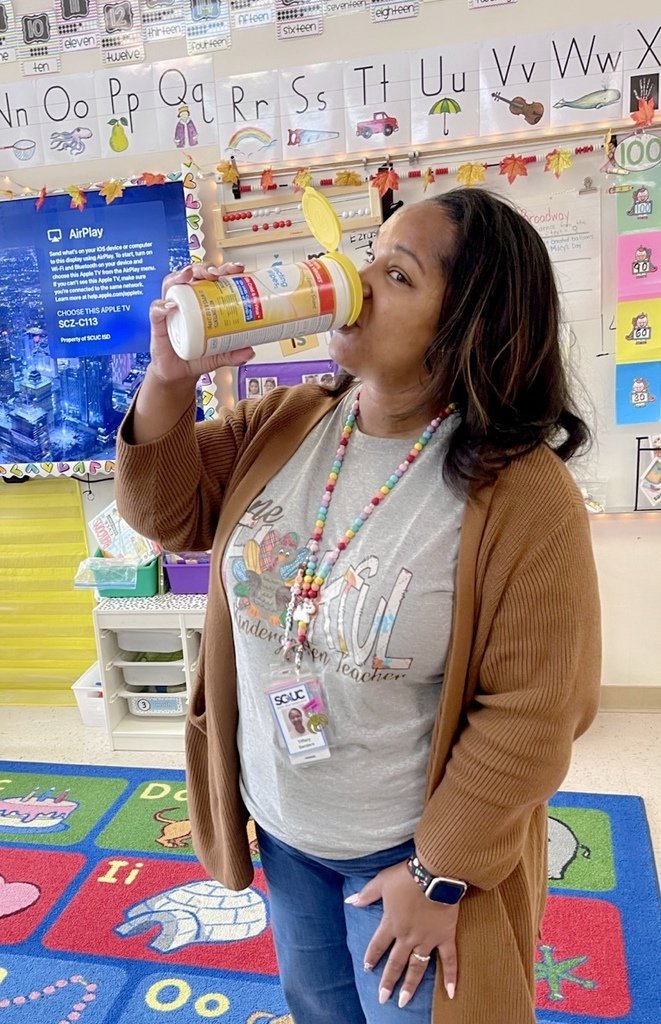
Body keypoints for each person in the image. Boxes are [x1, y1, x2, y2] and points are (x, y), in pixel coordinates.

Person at [115, 188, 601, 1024]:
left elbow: (534, 712)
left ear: (466, 326)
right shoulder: (291, 419)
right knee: (319, 1011)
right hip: (286, 829)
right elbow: (167, 513)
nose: (358, 281)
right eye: (368, 257)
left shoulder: (522, 494)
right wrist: (169, 376)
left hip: (409, 854)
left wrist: (436, 873)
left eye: (396, 274)